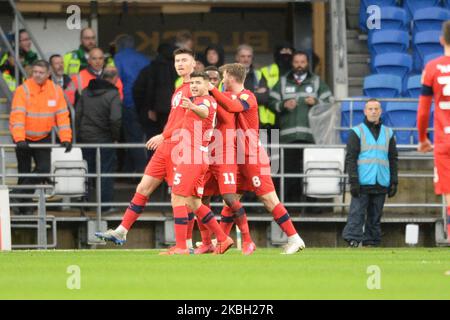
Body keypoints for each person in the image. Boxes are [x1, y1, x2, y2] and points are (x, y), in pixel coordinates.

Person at [95, 48, 195, 246]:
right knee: (143, 187)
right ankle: (122, 231)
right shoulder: (179, 87)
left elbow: (186, 119)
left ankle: (187, 244)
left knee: (182, 198)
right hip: (166, 147)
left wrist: (163, 135)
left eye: (184, 60)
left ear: (194, 63)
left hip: (180, 148)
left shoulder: (194, 88)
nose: (180, 64)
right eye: (177, 61)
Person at [209, 63, 306, 254]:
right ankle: (221, 242)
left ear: (230, 76)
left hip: (252, 155)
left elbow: (233, 106)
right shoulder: (227, 95)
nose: (221, 80)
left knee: (268, 198)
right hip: (237, 156)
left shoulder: (248, 96)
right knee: (230, 200)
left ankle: (295, 238)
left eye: (223, 76)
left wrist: (211, 88)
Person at [161, 71, 233, 255]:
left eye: (198, 82)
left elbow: (204, 112)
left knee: (177, 198)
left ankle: (182, 247)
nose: (193, 85)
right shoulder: (198, 101)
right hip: (196, 156)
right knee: (194, 202)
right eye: (192, 82)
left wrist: (192, 106)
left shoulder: (205, 101)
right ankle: (223, 239)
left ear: (207, 85)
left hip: (192, 157)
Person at [268, 50, 334, 204]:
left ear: (307, 64)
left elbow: (330, 103)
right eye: (296, 62)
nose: (299, 65)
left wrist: (317, 102)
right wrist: (283, 105)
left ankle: (311, 206)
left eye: (302, 62)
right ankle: (285, 206)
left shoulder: (317, 82)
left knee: (309, 173)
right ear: (292, 63)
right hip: (288, 138)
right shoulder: (283, 82)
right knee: (287, 173)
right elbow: (271, 103)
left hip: (310, 137)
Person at [9, 60, 72, 214]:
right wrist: (19, 139)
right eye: (35, 71)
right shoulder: (23, 89)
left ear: (48, 74)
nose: (37, 75)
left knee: (43, 169)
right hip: (23, 137)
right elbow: (17, 116)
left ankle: (16, 196)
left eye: (41, 72)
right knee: (23, 172)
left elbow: (63, 116)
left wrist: (66, 138)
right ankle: (25, 207)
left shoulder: (56, 91)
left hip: (43, 136)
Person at [342, 99, 398, 247]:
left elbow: (393, 158)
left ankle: (372, 241)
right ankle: (353, 239)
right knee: (357, 213)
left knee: (375, 215)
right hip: (362, 180)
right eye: (370, 109)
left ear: (381, 111)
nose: (373, 111)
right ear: (365, 112)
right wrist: (353, 180)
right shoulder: (357, 131)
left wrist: (394, 180)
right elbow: (351, 158)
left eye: (376, 109)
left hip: (381, 179)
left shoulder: (388, 133)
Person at [417, 20, 450, 241]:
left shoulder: (432, 67)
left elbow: (422, 111)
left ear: (441, 40)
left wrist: (422, 138)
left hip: (444, 141)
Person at [75, 68, 122, 213]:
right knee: (105, 172)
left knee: (86, 171)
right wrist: (115, 137)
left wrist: (79, 135)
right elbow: (116, 119)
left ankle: (84, 203)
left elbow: (78, 115)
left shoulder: (86, 92)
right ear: (114, 79)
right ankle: (105, 206)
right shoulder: (113, 94)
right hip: (104, 139)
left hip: (86, 139)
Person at [113, 34, 150, 174]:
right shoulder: (144, 59)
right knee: (138, 136)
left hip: (127, 102)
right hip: (144, 104)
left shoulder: (118, 58)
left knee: (132, 138)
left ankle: (141, 171)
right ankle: (128, 170)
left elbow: (117, 80)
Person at [132, 43, 177, 145]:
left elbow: (138, 91)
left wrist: (146, 109)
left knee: (153, 145)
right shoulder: (178, 70)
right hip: (175, 112)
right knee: (173, 143)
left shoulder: (149, 69)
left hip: (152, 114)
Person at [258, 43, 295, 130]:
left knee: (289, 143)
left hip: (290, 121)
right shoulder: (266, 71)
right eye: (283, 51)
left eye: (289, 51)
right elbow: (260, 96)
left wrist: (268, 91)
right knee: (271, 143)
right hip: (269, 122)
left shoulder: (297, 73)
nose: (286, 55)